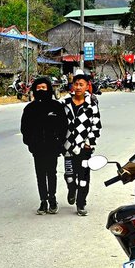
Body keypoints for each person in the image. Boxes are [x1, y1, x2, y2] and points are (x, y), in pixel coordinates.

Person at [20, 76, 67, 214]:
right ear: (34, 90)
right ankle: (43, 201)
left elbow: (63, 126)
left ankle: (52, 199)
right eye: (38, 88)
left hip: (53, 147)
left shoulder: (56, 107)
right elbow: (25, 128)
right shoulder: (29, 108)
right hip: (37, 147)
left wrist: (59, 142)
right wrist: (29, 142)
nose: (41, 90)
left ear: (49, 89)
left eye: (44, 88)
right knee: (40, 174)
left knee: (51, 173)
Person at [63, 70, 102, 216]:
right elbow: (59, 124)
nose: (78, 87)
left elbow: (96, 125)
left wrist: (89, 142)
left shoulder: (91, 104)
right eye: (76, 84)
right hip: (67, 147)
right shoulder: (65, 102)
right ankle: (71, 190)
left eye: (81, 84)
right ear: (72, 86)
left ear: (87, 86)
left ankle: (81, 204)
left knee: (84, 178)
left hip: (85, 148)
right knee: (69, 175)